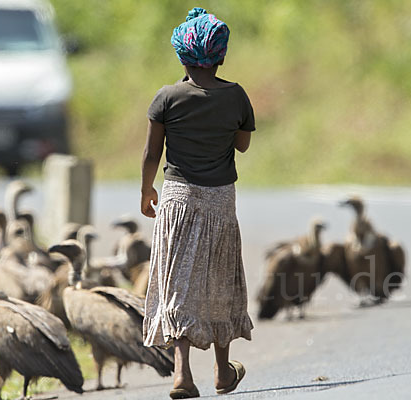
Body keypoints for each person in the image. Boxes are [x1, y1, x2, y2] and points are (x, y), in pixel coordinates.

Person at [140, 7, 255, 399]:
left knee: (178, 282)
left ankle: (181, 375)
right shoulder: (236, 96)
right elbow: (242, 144)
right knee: (220, 280)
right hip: (220, 200)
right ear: (221, 56)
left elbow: (152, 153)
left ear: (181, 57)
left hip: (176, 198)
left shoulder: (167, 97)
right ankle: (223, 371)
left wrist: (146, 191)